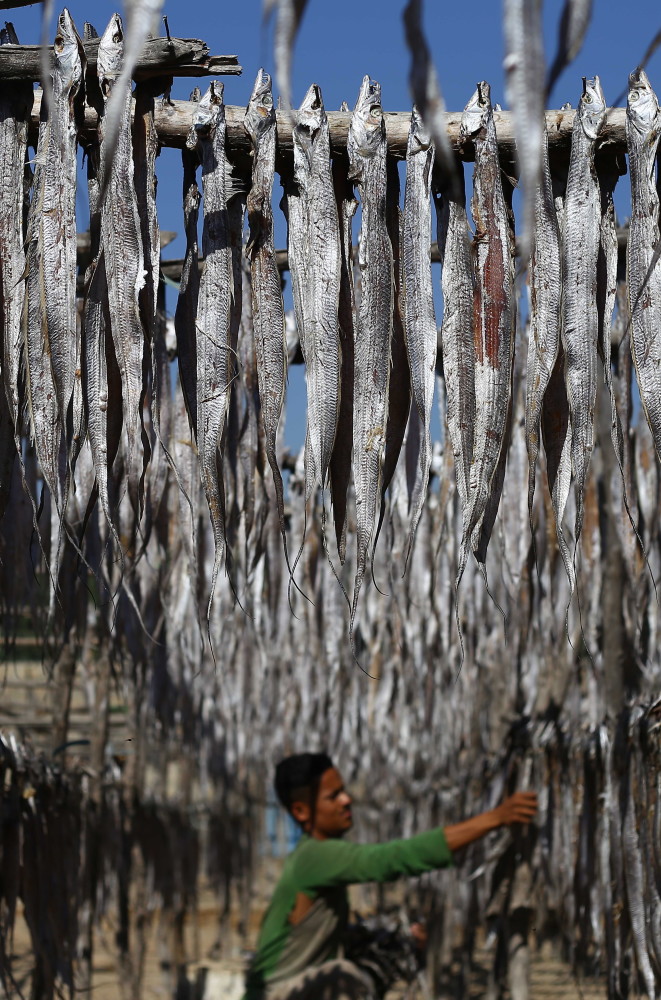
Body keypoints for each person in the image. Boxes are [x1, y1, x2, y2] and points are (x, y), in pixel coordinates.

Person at [243, 752, 538, 1000]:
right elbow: (392, 859)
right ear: (301, 811)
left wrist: (400, 940)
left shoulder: (314, 858)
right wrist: (494, 818)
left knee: (382, 949)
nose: (347, 800)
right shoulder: (315, 857)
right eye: (334, 796)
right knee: (344, 976)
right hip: (273, 994)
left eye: (344, 791)